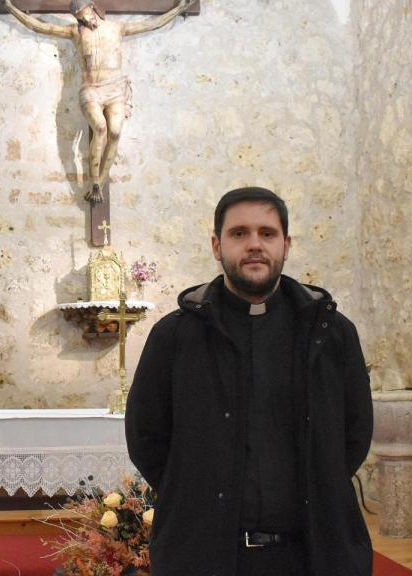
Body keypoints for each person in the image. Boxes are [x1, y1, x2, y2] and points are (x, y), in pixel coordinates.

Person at [125, 187, 373, 575]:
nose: (254, 244)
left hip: (312, 553)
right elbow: (146, 437)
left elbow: (355, 434)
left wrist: (319, 482)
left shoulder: (332, 334)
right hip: (204, 552)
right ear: (216, 244)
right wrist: (192, 489)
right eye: (239, 233)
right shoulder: (174, 336)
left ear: (286, 244)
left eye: (267, 233)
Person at [3, 0, 197, 203]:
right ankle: (94, 181)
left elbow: (152, 24)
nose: (83, 19)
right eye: (78, 17)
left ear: (92, 7)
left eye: (83, 13)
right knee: (100, 128)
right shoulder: (75, 32)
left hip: (115, 89)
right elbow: (38, 26)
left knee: (115, 132)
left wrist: (178, 9)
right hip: (91, 90)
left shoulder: (117, 28)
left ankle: (99, 183)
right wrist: (10, 7)